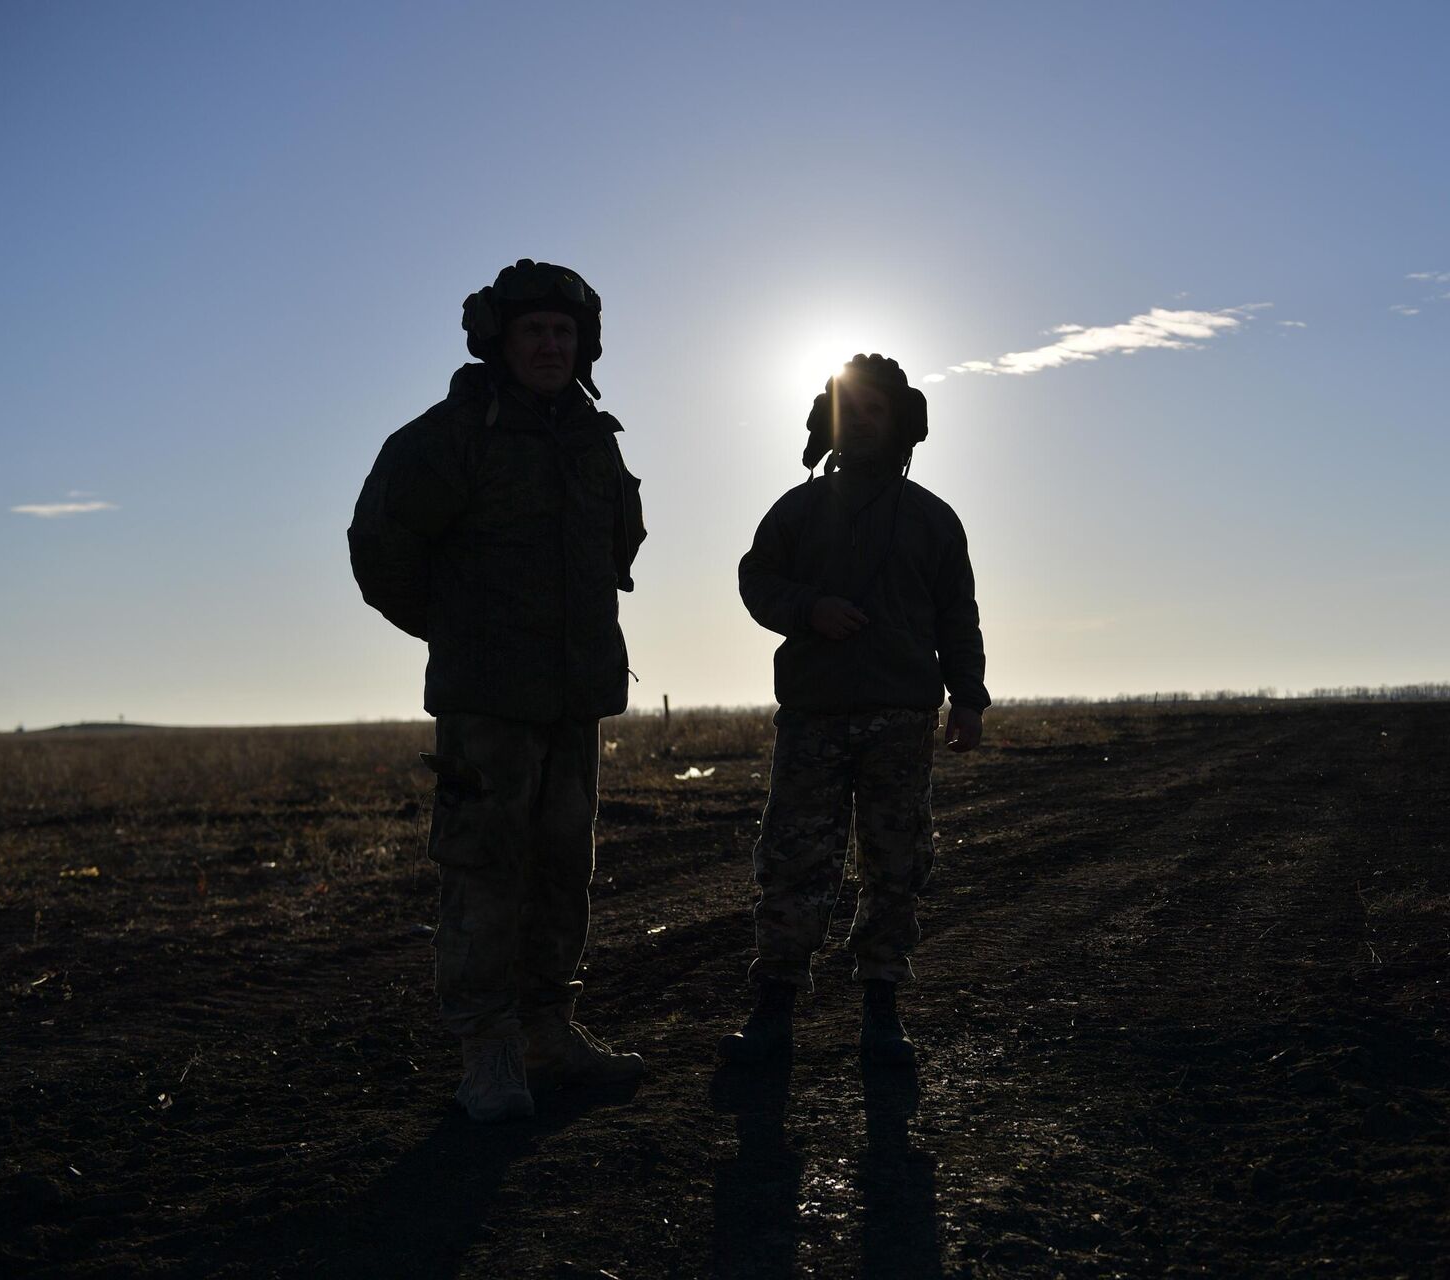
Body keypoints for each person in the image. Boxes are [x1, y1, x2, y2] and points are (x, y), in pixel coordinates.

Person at [348, 259, 647, 1122]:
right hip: (487, 708)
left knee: (564, 870)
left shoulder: (594, 440)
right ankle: (488, 1052)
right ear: (500, 342)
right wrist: (461, 635)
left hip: (574, 700)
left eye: (564, 332)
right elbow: (383, 551)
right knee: (483, 873)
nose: (551, 345)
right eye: (534, 332)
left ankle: (551, 1033)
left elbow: (618, 547)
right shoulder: (449, 439)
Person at [721, 353, 990, 1067]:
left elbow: (958, 617)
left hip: (900, 720)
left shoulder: (933, 520)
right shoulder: (797, 510)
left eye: (877, 410)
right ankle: (774, 1009)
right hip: (811, 716)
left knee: (894, 862)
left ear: (901, 423)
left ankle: (882, 1008)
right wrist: (809, 609)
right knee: (795, 859)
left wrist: (968, 698)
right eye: (851, 409)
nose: (864, 422)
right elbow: (755, 581)